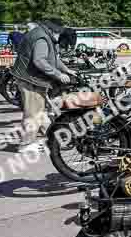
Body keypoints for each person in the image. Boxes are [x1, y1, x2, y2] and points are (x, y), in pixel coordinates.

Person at [9, 18, 79, 153]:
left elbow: (53, 58)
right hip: (30, 79)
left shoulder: (41, 33)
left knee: (39, 111)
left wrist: (66, 70)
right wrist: (58, 75)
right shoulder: (42, 38)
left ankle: (42, 138)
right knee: (33, 112)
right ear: (54, 30)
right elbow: (40, 61)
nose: (59, 36)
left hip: (31, 78)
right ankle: (25, 144)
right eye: (59, 32)